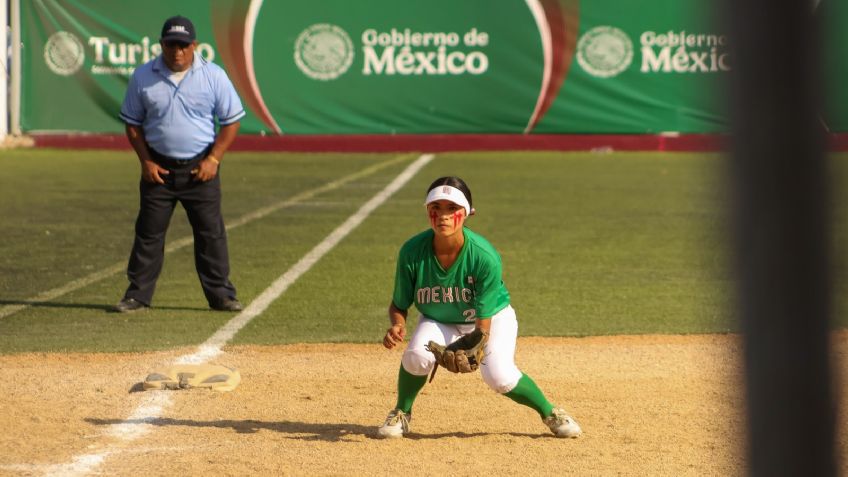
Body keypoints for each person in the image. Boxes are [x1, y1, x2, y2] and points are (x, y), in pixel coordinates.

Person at [378, 176, 582, 438]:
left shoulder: (484, 256)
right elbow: (399, 304)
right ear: (428, 212)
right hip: (439, 320)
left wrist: (475, 345)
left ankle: (550, 412)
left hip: (491, 320)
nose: (443, 216)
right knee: (417, 356)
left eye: (452, 209)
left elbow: (482, 325)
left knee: (499, 376)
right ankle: (401, 412)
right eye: (436, 208)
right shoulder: (411, 252)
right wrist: (398, 323)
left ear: (467, 213)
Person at [114, 15, 245, 313]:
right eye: (171, 45)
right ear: (161, 45)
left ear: (194, 46)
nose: (178, 51)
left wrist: (214, 159)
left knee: (211, 234)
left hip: (201, 168)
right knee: (148, 233)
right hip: (158, 169)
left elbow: (232, 120)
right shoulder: (142, 76)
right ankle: (137, 295)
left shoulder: (213, 76)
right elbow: (133, 124)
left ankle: (221, 295)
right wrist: (145, 161)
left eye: (184, 45)